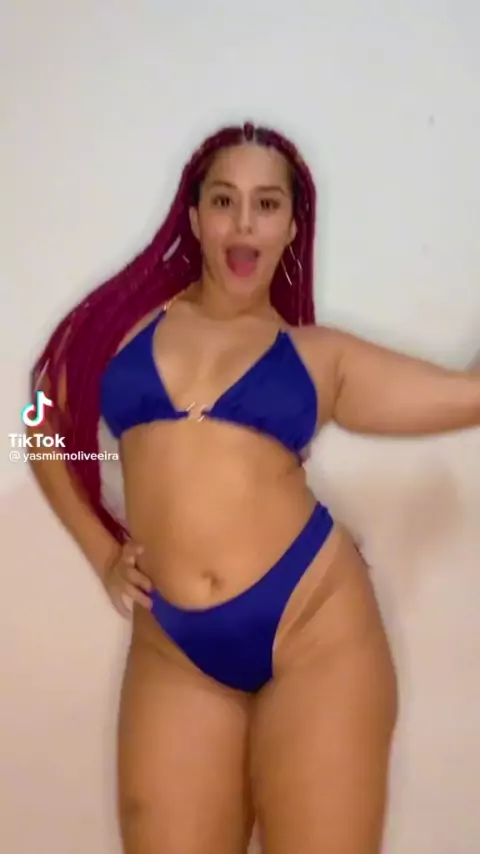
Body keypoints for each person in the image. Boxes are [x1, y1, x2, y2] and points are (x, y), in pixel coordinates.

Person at [28, 120, 480, 854]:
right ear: (195, 216)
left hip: (315, 626)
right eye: (224, 201)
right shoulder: (120, 330)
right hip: (173, 649)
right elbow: (36, 421)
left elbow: (471, 396)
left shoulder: (318, 356)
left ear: (292, 226)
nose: (243, 223)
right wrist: (100, 550)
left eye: (267, 205)